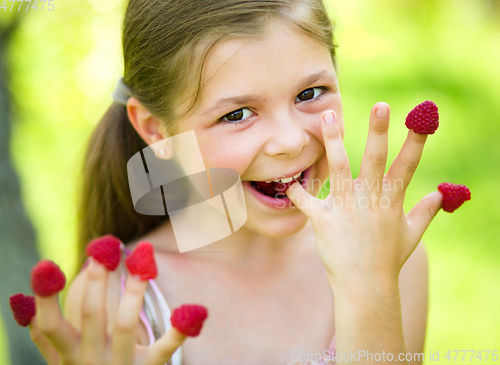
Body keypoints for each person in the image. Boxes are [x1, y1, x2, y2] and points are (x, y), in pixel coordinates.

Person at [27, 0, 442, 363]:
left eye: (310, 93)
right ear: (156, 130)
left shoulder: (390, 259)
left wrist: (369, 289)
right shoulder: (124, 302)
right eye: (237, 115)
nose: (290, 141)